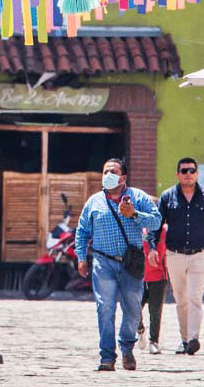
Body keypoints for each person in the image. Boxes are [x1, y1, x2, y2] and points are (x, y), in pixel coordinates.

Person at [74, 158, 162, 372]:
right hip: (103, 262)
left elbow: (156, 222)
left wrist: (134, 214)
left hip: (131, 263)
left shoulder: (138, 197)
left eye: (112, 171)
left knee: (132, 309)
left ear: (123, 178)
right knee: (105, 308)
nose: (107, 175)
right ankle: (107, 357)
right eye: (105, 171)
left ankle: (127, 348)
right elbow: (83, 230)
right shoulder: (94, 201)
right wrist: (81, 257)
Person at [156, 157, 204, 355]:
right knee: (181, 299)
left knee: (195, 296)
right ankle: (184, 339)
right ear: (178, 174)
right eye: (184, 171)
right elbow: (157, 225)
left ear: (197, 173)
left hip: (199, 255)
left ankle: (194, 338)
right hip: (174, 255)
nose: (188, 174)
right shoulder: (168, 196)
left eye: (191, 171)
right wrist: (152, 248)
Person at [137, 224, 168, 354]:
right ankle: (139, 330)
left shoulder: (165, 230)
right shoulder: (139, 229)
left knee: (155, 311)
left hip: (159, 275)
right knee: (134, 307)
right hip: (140, 276)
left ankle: (154, 341)